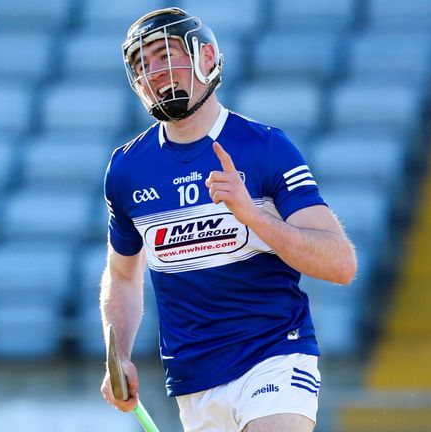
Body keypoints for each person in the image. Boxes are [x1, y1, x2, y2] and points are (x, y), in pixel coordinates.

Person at [99, 8, 357, 432]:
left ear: (205, 57)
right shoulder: (127, 169)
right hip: (194, 381)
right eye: (143, 64)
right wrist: (119, 352)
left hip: (274, 356)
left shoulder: (265, 147)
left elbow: (340, 264)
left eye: (164, 55)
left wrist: (253, 214)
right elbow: (123, 277)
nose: (155, 72)